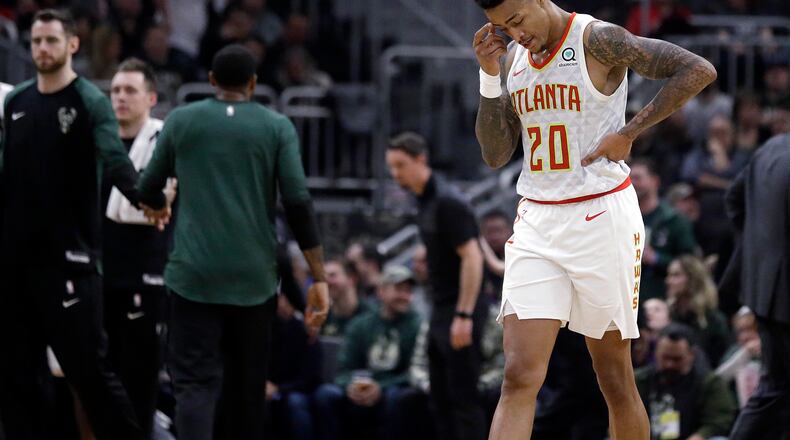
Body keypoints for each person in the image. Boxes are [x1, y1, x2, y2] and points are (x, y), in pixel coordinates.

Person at [472, 0, 717, 438]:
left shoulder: (597, 39)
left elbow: (697, 69)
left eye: (516, 20)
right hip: (537, 221)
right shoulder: (513, 58)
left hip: (601, 215)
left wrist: (630, 132)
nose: (515, 33)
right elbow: (494, 155)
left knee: (615, 378)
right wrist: (490, 76)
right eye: (501, 26)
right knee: (518, 377)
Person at [135, 44, 330, 440]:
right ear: (254, 84)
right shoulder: (276, 127)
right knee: (246, 390)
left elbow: (147, 185)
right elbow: (297, 203)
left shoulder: (181, 120)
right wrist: (319, 278)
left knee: (194, 386)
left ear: (210, 82)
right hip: (253, 280)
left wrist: (157, 205)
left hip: (193, 276)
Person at [0, 9, 165, 440]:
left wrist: (145, 199)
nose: (42, 49)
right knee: (18, 377)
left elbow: (115, 159)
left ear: (72, 45)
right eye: (36, 41)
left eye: (52, 41)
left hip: (69, 262)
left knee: (89, 374)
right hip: (17, 266)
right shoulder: (16, 101)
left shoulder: (90, 101)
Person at [386, 131, 487, 440]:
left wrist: (464, 315)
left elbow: (472, 257)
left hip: (459, 309)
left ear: (421, 160)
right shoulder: (426, 199)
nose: (395, 174)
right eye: (392, 167)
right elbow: (474, 243)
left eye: (401, 165)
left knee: (462, 400)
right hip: (441, 308)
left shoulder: (446, 201)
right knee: (440, 399)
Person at [102, 57, 175, 438]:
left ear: (151, 97)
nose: (120, 98)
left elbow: (160, 206)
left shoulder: (165, 141)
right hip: (97, 278)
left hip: (145, 279)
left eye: (130, 90)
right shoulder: (98, 143)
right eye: (115, 90)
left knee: (139, 386)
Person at [725, 132, 790, 439]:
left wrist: (759, 254)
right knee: (774, 390)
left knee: (775, 388)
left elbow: (734, 199)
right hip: (783, 298)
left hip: (762, 290)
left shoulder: (773, 147)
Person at [314, 265, 423, 440]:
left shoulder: (417, 325)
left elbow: (416, 372)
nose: (405, 296)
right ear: (381, 291)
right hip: (362, 386)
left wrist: (381, 387)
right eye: (399, 289)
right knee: (325, 394)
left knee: (397, 397)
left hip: (396, 388)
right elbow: (343, 369)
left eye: (408, 291)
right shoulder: (361, 325)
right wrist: (349, 386)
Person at [636, 324, 737, 440]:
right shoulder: (640, 380)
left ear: (691, 354)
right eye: (665, 357)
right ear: (656, 352)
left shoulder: (709, 383)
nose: (670, 364)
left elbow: (720, 419)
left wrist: (701, 436)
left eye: (677, 359)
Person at [630, 158, 698, 301]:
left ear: (655, 181)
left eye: (637, 178)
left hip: (663, 296)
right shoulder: (623, 218)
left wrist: (656, 258)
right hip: (628, 297)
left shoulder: (674, 220)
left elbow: (691, 263)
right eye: (629, 179)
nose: (632, 183)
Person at [665, 255, 731, 366]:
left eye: (676, 275)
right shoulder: (668, 316)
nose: (668, 281)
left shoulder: (714, 320)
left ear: (693, 279)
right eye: (669, 275)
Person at [322, 257, 373, 338]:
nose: (326, 281)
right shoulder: (322, 318)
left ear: (352, 279)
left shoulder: (370, 315)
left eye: (332, 275)